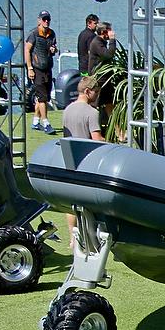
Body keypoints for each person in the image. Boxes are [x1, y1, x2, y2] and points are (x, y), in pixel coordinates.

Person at [62, 75, 105, 249]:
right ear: (88, 92)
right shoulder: (92, 113)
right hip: (86, 162)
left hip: (69, 159)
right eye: (96, 92)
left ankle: (72, 236)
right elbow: (96, 139)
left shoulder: (67, 109)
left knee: (70, 202)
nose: (97, 95)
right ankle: (89, 237)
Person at [25, 10, 57, 134]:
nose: (46, 21)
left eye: (48, 19)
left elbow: (53, 48)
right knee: (42, 97)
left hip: (48, 68)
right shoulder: (33, 34)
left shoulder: (51, 33)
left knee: (44, 96)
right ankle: (46, 122)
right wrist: (30, 68)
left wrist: (54, 50)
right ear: (39, 20)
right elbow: (27, 50)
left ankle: (35, 121)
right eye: (44, 19)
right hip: (37, 69)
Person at [88, 21, 117, 121]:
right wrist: (112, 40)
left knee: (109, 103)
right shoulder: (96, 43)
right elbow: (108, 54)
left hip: (105, 79)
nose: (111, 33)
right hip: (98, 80)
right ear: (104, 32)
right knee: (94, 105)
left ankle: (118, 132)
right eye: (109, 30)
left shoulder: (101, 42)